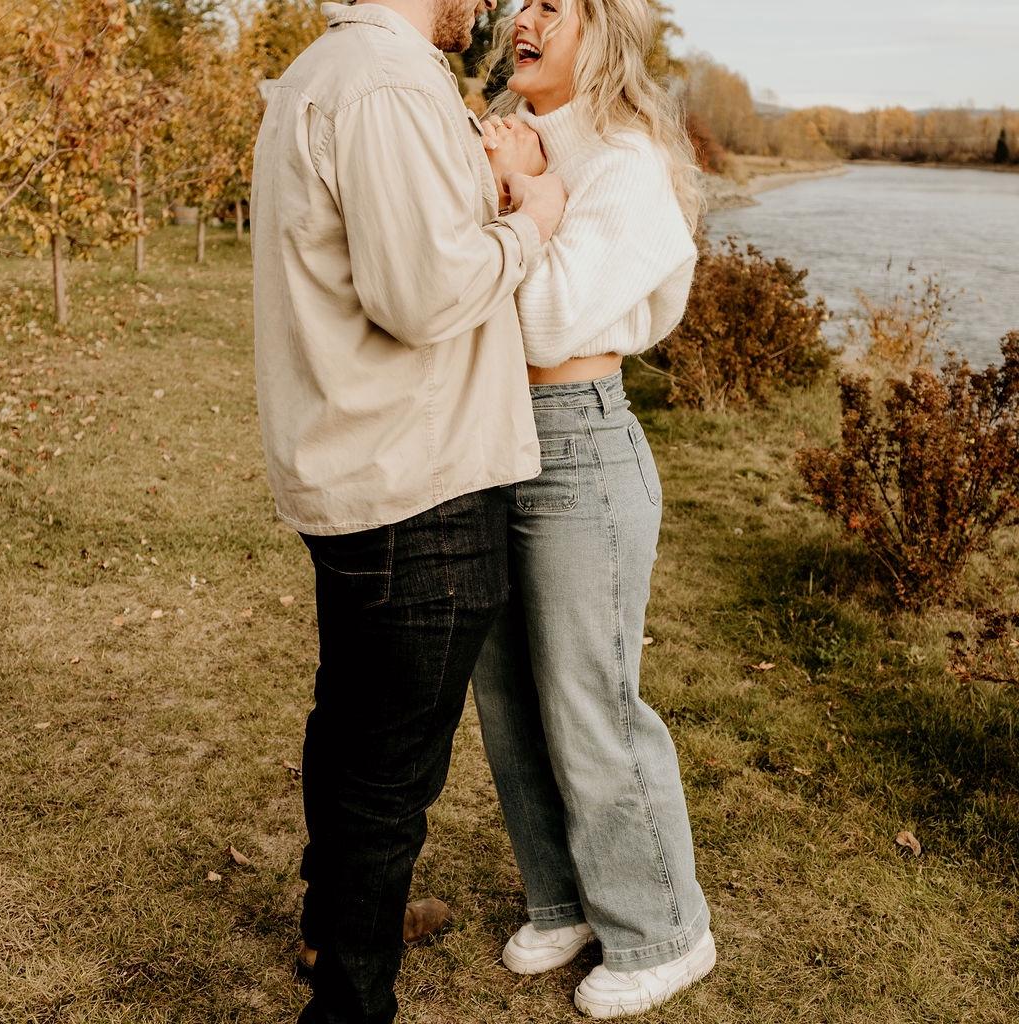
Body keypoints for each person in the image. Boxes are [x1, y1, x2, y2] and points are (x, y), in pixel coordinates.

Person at [249, 0, 566, 1020]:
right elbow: (423, 296)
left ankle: (340, 919)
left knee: (351, 726)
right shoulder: (383, 84)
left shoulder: (329, 72)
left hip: (366, 467)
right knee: (389, 772)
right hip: (417, 482)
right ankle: (350, 995)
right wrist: (534, 221)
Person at [469, 0, 715, 1018]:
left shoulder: (626, 160)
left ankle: (665, 930)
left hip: (578, 443)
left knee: (589, 701)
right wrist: (517, 178)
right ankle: (562, 898)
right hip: (488, 435)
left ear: (600, 31)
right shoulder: (501, 139)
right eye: (522, 4)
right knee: (505, 695)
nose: (523, 20)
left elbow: (546, 315)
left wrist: (530, 191)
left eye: (552, 7)